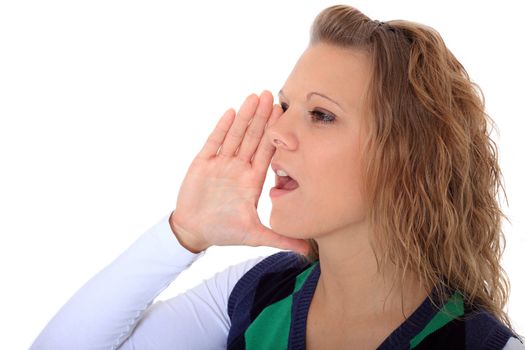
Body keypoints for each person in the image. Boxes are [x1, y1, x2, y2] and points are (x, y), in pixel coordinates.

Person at [30, 4, 523, 349]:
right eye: (285, 106)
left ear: (404, 157)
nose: (275, 132)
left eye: (321, 115)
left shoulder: (479, 344)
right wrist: (184, 233)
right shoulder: (255, 293)